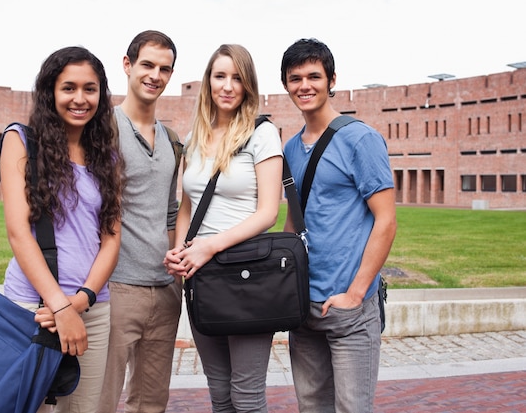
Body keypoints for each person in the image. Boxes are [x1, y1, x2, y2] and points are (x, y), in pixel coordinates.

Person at [0, 46, 123, 412]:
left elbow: (111, 238)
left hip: (93, 309)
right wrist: (60, 307)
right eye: (69, 88)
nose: (80, 98)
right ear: (50, 91)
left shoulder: (108, 154)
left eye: (90, 88)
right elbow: (19, 232)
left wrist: (81, 301)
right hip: (32, 306)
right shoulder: (21, 140)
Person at [280, 38, 397, 413]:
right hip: (304, 307)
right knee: (311, 407)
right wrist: (282, 285)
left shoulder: (360, 139)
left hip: (350, 307)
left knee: (352, 407)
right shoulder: (290, 149)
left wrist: (356, 293)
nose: (305, 85)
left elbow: (386, 220)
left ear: (332, 80)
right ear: (286, 85)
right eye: (295, 78)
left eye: (314, 76)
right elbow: (293, 220)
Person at [164, 44, 283, 413]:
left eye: (237, 77)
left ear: (248, 85)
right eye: (220, 76)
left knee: (247, 397)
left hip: (247, 276)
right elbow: (188, 205)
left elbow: (268, 214)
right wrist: (183, 250)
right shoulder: (195, 138)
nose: (228, 86)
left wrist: (210, 246)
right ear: (208, 82)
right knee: (219, 392)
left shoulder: (262, 135)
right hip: (202, 277)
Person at [97, 30, 182, 413]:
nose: (155, 75)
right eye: (147, 64)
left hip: (164, 290)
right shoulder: (102, 129)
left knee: (150, 403)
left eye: (165, 69)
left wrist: (176, 276)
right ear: (128, 65)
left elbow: (169, 211)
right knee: (99, 399)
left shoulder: (171, 139)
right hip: (115, 288)